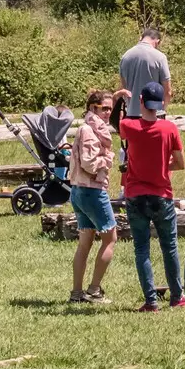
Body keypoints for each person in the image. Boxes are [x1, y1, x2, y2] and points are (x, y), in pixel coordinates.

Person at [119, 80, 185, 312]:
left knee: (142, 249)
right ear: (161, 104)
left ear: (141, 101)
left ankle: (151, 301)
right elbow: (181, 163)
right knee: (169, 247)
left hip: (135, 195)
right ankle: (177, 296)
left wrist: (119, 96)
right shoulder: (169, 128)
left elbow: (115, 120)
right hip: (162, 194)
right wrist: (163, 165)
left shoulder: (128, 126)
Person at [68, 88, 119, 304]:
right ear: (92, 108)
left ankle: (77, 293)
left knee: (85, 242)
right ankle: (94, 289)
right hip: (91, 191)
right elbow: (89, 163)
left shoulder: (91, 128)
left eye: (110, 109)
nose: (108, 112)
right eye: (104, 108)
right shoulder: (89, 130)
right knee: (110, 239)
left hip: (78, 191)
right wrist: (106, 159)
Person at [118, 26, 170, 118]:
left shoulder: (125, 57)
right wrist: (163, 109)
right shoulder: (160, 57)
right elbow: (167, 90)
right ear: (157, 42)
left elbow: (123, 88)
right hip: (154, 114)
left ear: (140, 38)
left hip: (132, 113)